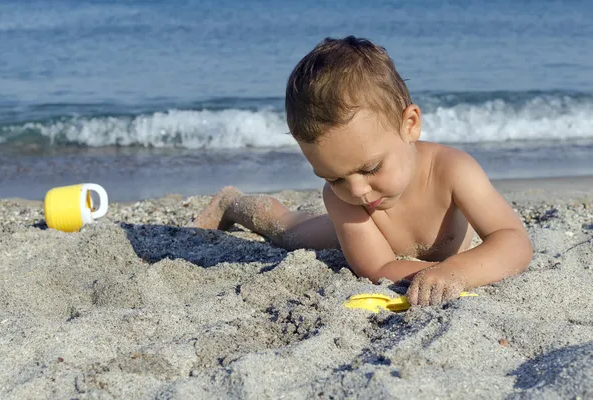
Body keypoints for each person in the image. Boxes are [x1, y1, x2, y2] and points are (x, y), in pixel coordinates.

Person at [191, 36, 533, 306]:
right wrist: (445, 273)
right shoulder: (346, 201)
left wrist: (456, 272)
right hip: (355, 237)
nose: (356, 191)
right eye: (333, 177)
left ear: (410, 125)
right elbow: (379, 269)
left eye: (370, 168)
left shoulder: (453, 170)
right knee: (287, 230)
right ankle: (232, 203)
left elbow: (513, 241)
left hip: (442, 262)